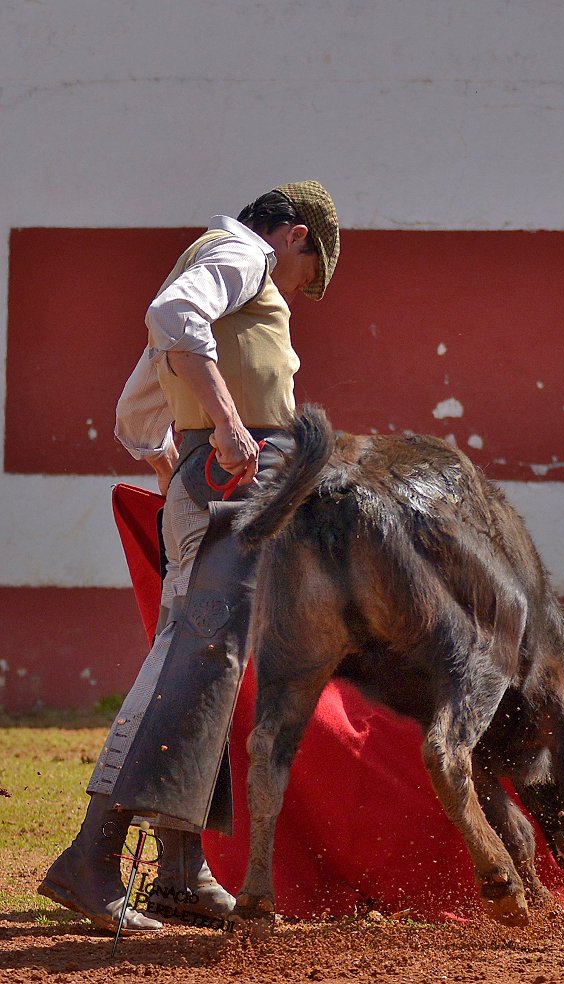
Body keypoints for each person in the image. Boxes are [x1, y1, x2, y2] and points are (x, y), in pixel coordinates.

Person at [38, 181, 340, 934]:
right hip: (237, 482)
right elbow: (173, 318)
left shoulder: (216, 259)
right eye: (306, 274)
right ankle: (92, 858)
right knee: (194, 665)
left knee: (207, 670)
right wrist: (229, 431)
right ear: (295, 236)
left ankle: (179, 872)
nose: (295, 293)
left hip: (219, 482)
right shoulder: (243, 254)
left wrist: (172, 463)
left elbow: (142, 396)